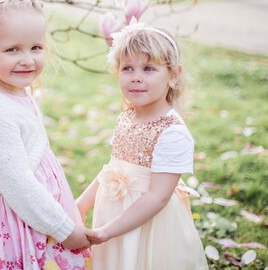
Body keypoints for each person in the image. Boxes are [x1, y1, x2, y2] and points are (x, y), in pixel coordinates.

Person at [0, 0, 90, 270]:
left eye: (36, 47)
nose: (27, 59)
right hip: (9, 224)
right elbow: (18, 186)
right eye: (13, 50)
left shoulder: (17, 93)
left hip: (31, 218)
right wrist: (64, 230)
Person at [77, 22, 208, 270]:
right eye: (127, 68)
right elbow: (112, 170)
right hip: (113, 215)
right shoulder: (127, 116)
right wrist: (81, 204)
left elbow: (157, 198)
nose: (136, 77)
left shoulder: (172, 132)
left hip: (149, 226)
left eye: (149, 68)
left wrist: (107, 231)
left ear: (173, 75)